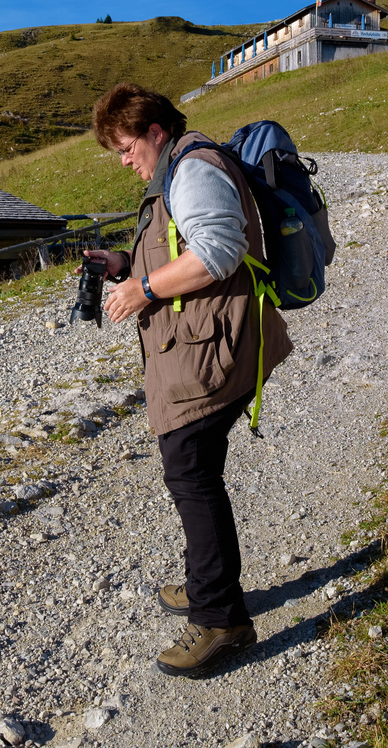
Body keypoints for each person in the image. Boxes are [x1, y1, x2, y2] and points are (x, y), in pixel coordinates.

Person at [83, 82, 292, 678]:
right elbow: (186, 241)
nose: (124, 160)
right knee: (195, 469)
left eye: (125, 147)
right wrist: (126, 264)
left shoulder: (193, 168)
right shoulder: (178, 167)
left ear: (154, 131)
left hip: (212, 349)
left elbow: (219, 252)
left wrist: (141, 289)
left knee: (190, 471)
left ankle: (222, 619)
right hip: (206, 342)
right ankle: (208, 583)